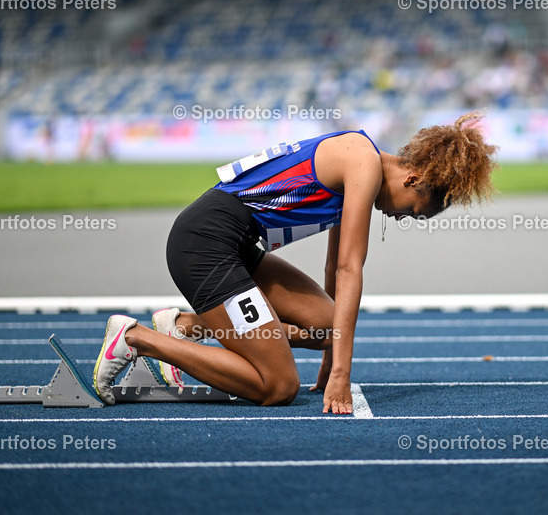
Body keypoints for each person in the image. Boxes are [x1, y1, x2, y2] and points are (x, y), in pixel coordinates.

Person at [92, 112, 498, 414]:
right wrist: (342, 373)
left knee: (327, 327)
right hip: (204, 244)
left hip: (239, 247)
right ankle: (137, 339)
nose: (402, 218)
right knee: (279, 386)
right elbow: (349, 269)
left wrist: (330, 360)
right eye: (414, 212)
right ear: (414, 180)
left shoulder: (363, 162)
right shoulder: (363, 162)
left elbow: (333, 271)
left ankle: (184, 327)